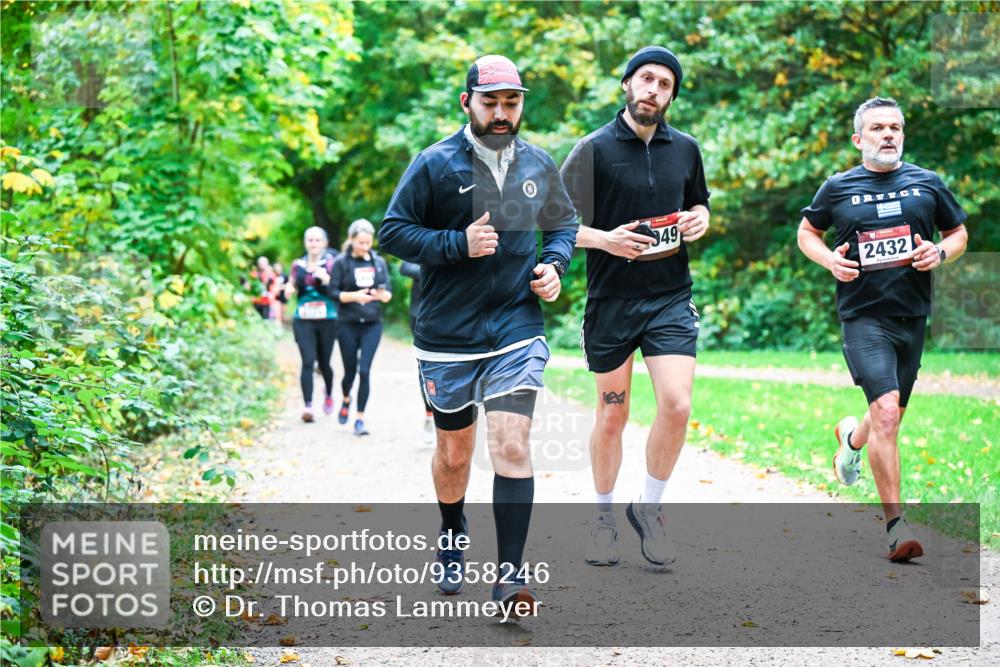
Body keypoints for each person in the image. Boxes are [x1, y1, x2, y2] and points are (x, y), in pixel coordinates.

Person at [378, 54, 577, 613]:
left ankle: (509, 575)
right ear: (467, 102)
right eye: (490, 101)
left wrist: (555, 267)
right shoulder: (435, 164)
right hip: (447, 335)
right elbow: (394, 231)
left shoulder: (538, 163)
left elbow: (562, 225)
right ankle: (450, 527)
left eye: (511, 102)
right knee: (455, 454)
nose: (501, 112)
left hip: (516, 327)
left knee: (512, 443)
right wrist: (455, 246)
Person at [797, 96, 968, 562]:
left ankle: (851, 442)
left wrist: (941, 253)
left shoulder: (927, 184)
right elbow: (807, 233)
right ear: (859, 139)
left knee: (888, 412)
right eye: (877, 128)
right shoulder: (838, 188)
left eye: (895, 127)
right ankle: (897, 527)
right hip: (863, 316)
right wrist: (829, 259)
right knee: (888, 413)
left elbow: (957, 233)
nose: (888, 134)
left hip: (912, 316)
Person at [561, 46, 710, 567]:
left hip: (670, 297)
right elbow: (554, 222)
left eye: (665, 84)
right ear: (627, 84)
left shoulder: (685, 148)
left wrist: (700, 218)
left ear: (671, 96)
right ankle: (603, 519)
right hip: (611, 302)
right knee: (612, 417)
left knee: (677, 404)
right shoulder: (594, 148)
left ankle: (649, 509)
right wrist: (605, 241)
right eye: (646, 79)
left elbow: (698, 202)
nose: (654, 89)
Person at [330, 219, 391, 437]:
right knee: (350, 372)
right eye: (361, 243)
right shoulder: (340, 263)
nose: (365, 247)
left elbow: (387, 293)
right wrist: (355, 296)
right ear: (351, 240)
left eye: (368, 242)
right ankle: (346, 398)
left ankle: (360, 419)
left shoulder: (378, 262)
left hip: (372, 324)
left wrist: (381, 296)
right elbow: (333, 293)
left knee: (364, 371)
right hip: (347, 323)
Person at [287, 228, 339, 423]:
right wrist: (289, 289)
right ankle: (308, 406)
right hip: (303, 318)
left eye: (317, 240)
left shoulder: (332, 263)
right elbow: (292, 283)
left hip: (327, 318)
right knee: (308, 361)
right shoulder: (297, 265)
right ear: (305, 243)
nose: (314, 243)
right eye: (310, 240)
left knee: (324, 363)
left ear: (324, 243)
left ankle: (328, 394)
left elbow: (340, 287)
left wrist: (327, 278)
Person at [399, 260, 436, 444]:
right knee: (426, 366)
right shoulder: (424, 232)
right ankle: (429, 415)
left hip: (450, 314)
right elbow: (404, 266)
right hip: (420, 314)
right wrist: (434, 268)